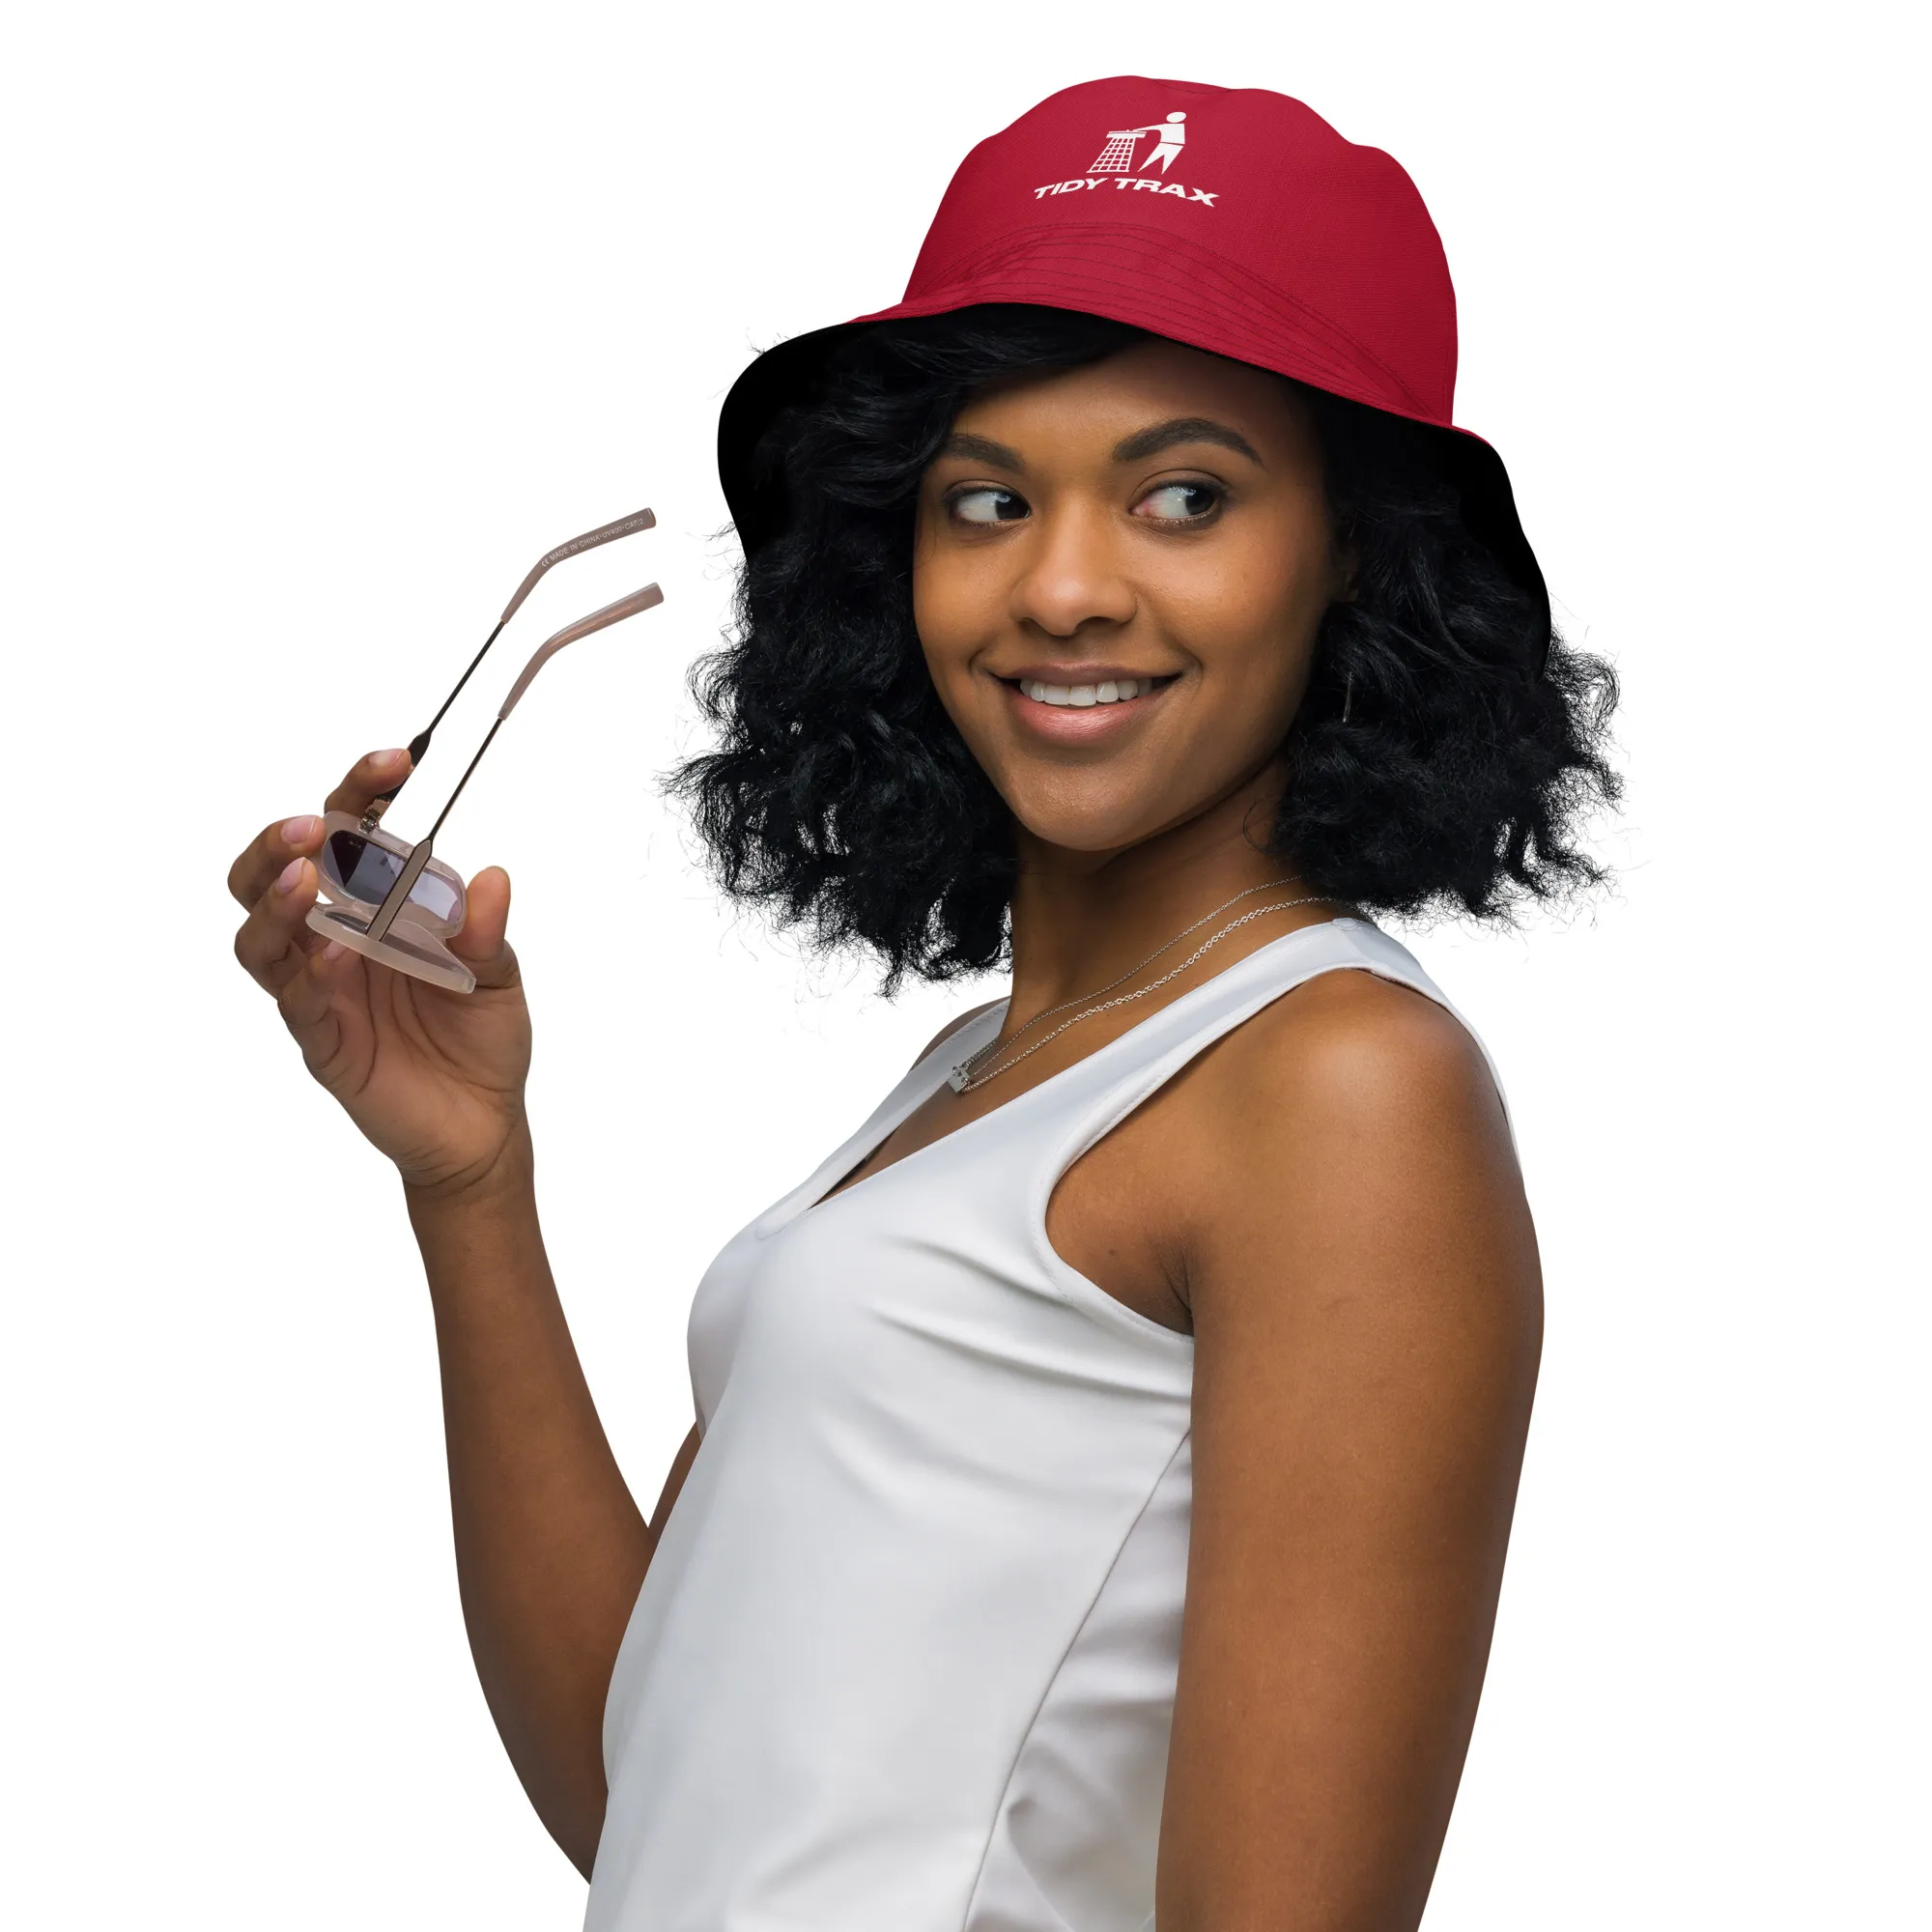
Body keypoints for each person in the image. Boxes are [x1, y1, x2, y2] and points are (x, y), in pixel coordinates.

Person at [228, 76, 1615, 1932]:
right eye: (986, 498)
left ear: (1355, 550)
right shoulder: (975, 1078)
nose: (1059, 587)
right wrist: (473, 1181)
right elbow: (649, 1795)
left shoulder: (1343, 1089)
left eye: (1184, 495)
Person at [1134, 108, 1187, 172]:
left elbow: (1151, 127)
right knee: (1153, 159)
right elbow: (1152, 127)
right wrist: (1136, 130)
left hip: (1174, 145)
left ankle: (1141, 171)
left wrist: (1136, 130)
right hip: (1166, 144)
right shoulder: (1170, 126)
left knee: (1165, 160)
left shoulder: (1174, 126)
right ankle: (1140, 171)